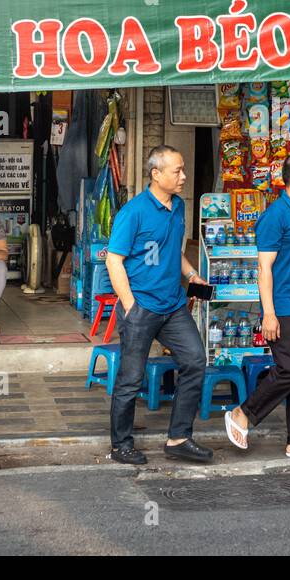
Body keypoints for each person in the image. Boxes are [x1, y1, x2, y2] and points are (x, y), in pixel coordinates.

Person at [223, 153, 290, 458]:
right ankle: (243, 413)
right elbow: (264, 269)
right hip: (285, 309)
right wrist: (268, 314)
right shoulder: (275, 217)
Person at [105, 144, 211, 465]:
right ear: (156, 174)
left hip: (174, 306)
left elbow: (172, 252)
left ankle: (179, 437)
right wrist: (130, 306)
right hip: (141, 308)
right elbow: (114, 259)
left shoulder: (178, 207)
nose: (183, 176)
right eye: (177, 170)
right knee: (130, 379)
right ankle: (120, 445)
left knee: (195, 361)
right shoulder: (133, 212)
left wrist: (192, 275)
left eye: (182, 169)